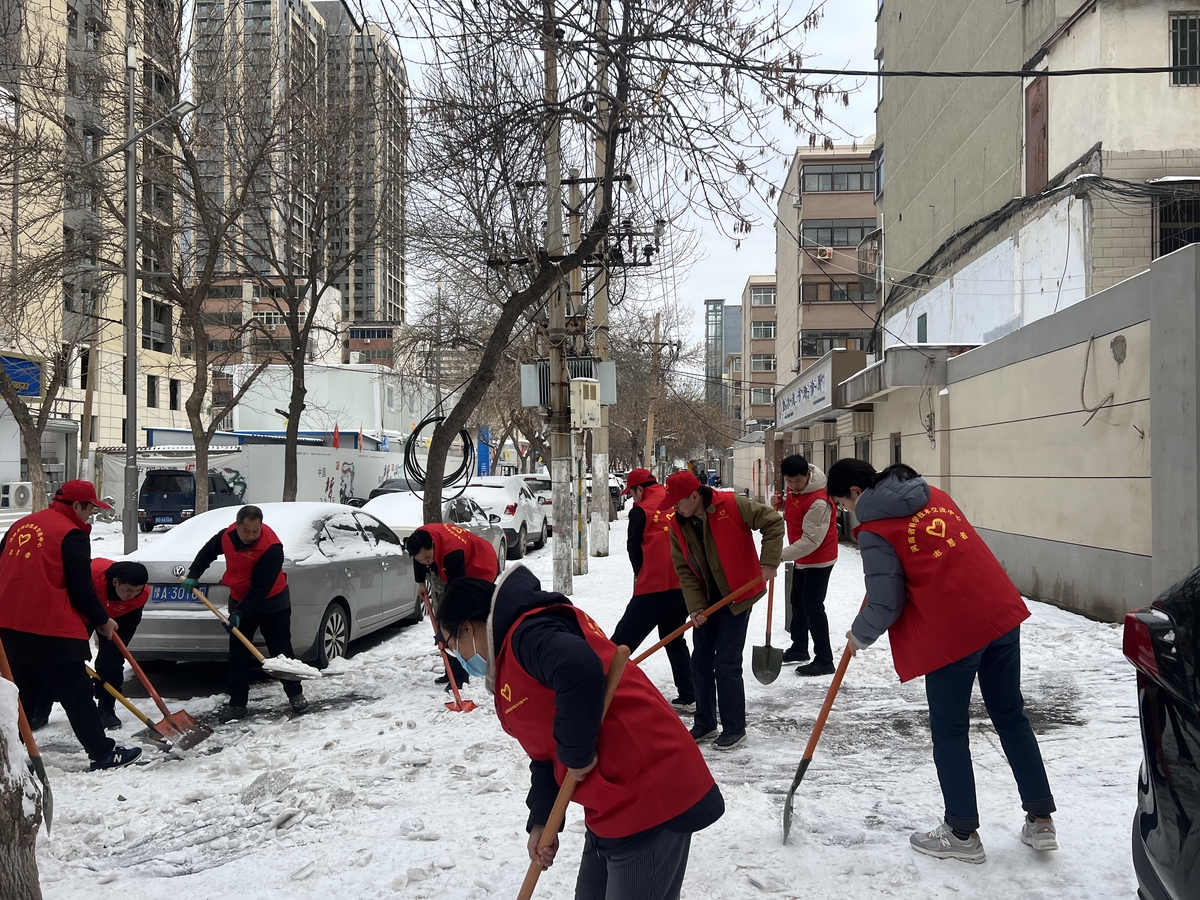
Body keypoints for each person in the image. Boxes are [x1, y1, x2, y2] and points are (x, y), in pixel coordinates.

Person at [438, 567, 724, 900]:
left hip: (649, 788)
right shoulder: (509, 662)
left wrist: (576, 753)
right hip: (611, 802)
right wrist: (542, 820)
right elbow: (545, 752)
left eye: (450, 644)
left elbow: (578, 667)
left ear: (467, 628)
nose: (455, 654)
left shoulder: (529, 634)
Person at [825, 459, 1058, 864]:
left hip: (955, 631)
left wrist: (860, 634)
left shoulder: (876, 529)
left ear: (856, 493)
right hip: (997, 610)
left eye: (842, 505)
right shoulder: (934, 495)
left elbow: (886, 601)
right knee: (1010, 714)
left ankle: (962, 831)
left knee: (950, 730)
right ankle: (1041, 819)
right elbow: (939, 557)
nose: (847, 513)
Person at [0, 481, 141, 770]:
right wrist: (102, 621)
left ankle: (7, 755)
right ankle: (102, 754)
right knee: (76, 692)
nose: (90, 515)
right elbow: (81, 586)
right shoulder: (71, 534)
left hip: (9, 624)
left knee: (21, 692)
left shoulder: (21, 525)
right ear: (77, 506)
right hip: (50, 626)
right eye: (90, 509)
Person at [664, 470, 784, 750]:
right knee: (700, 662)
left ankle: (734, 727)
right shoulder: (678, 524)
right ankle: (705, 722)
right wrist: (695, 608)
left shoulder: (732, 505)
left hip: (737, 594)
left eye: (678, 502)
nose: (674, 508)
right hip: (707, 600)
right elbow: (684, 570)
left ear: (694, 496)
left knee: (726, 663)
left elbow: (773, 523)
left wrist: (768, 563)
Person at [182, 505, 306, 722]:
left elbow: (261, 587)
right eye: (246, 530)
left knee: (281, 652)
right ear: (237, 526)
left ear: (261, 526)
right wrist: (194, 573)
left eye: (255, 531)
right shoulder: (227, 536)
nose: (251, 536)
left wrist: (240, 612)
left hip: (272, 603)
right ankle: (237, 703)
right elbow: (208, 551)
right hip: (240, 599)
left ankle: (295, 694)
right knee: (238, 655)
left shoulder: (271, 547)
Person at [611, 468, 695, 713]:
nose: (633, 498)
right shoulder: (676, 502)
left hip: (654, 585)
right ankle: (689, 694)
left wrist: (640, 574)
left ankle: (600, 690)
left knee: (621, 643)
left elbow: (633, 549)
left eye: (633, 493)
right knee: (673, 637)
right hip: (683, 584)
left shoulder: (640, 511)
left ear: (639, 489)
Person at [404, 523, 500, 691]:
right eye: (422, 560)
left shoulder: (451, 552)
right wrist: (420, 583)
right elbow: (418, 558)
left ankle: (461, 675)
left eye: (428, 558)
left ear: (433, 545)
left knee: (460, 623)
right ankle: (453, 672)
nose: (426, 562)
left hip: (481, 566)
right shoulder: (421, 538)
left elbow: (457, 592)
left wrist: (444, 631)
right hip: (464, 564)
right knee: (451, 624)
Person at [771, 455, 838, 676]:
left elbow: (811, 540)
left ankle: (824, 659)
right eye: (789, 482)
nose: (793, 486)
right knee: (797, 603)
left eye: (798, 481)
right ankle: (799, 648)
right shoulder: (795, 490)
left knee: (813, 607)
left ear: (808, 475)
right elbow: (796, 515)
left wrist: (779, 556)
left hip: (819, 559)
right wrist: (780, 506)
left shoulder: (819, 501)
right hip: (802, 557)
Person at [90, 559, 150, 729]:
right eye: (129, 590)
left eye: (137, 590)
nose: (132, 595)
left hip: (121, 615)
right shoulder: (91, 577)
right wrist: (99, 620)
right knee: (69, 656)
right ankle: (42, 707)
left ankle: (106, 709)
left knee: (111, 661)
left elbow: (128, 622)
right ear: (115, 582)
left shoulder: (140, 596)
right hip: (84, 608)